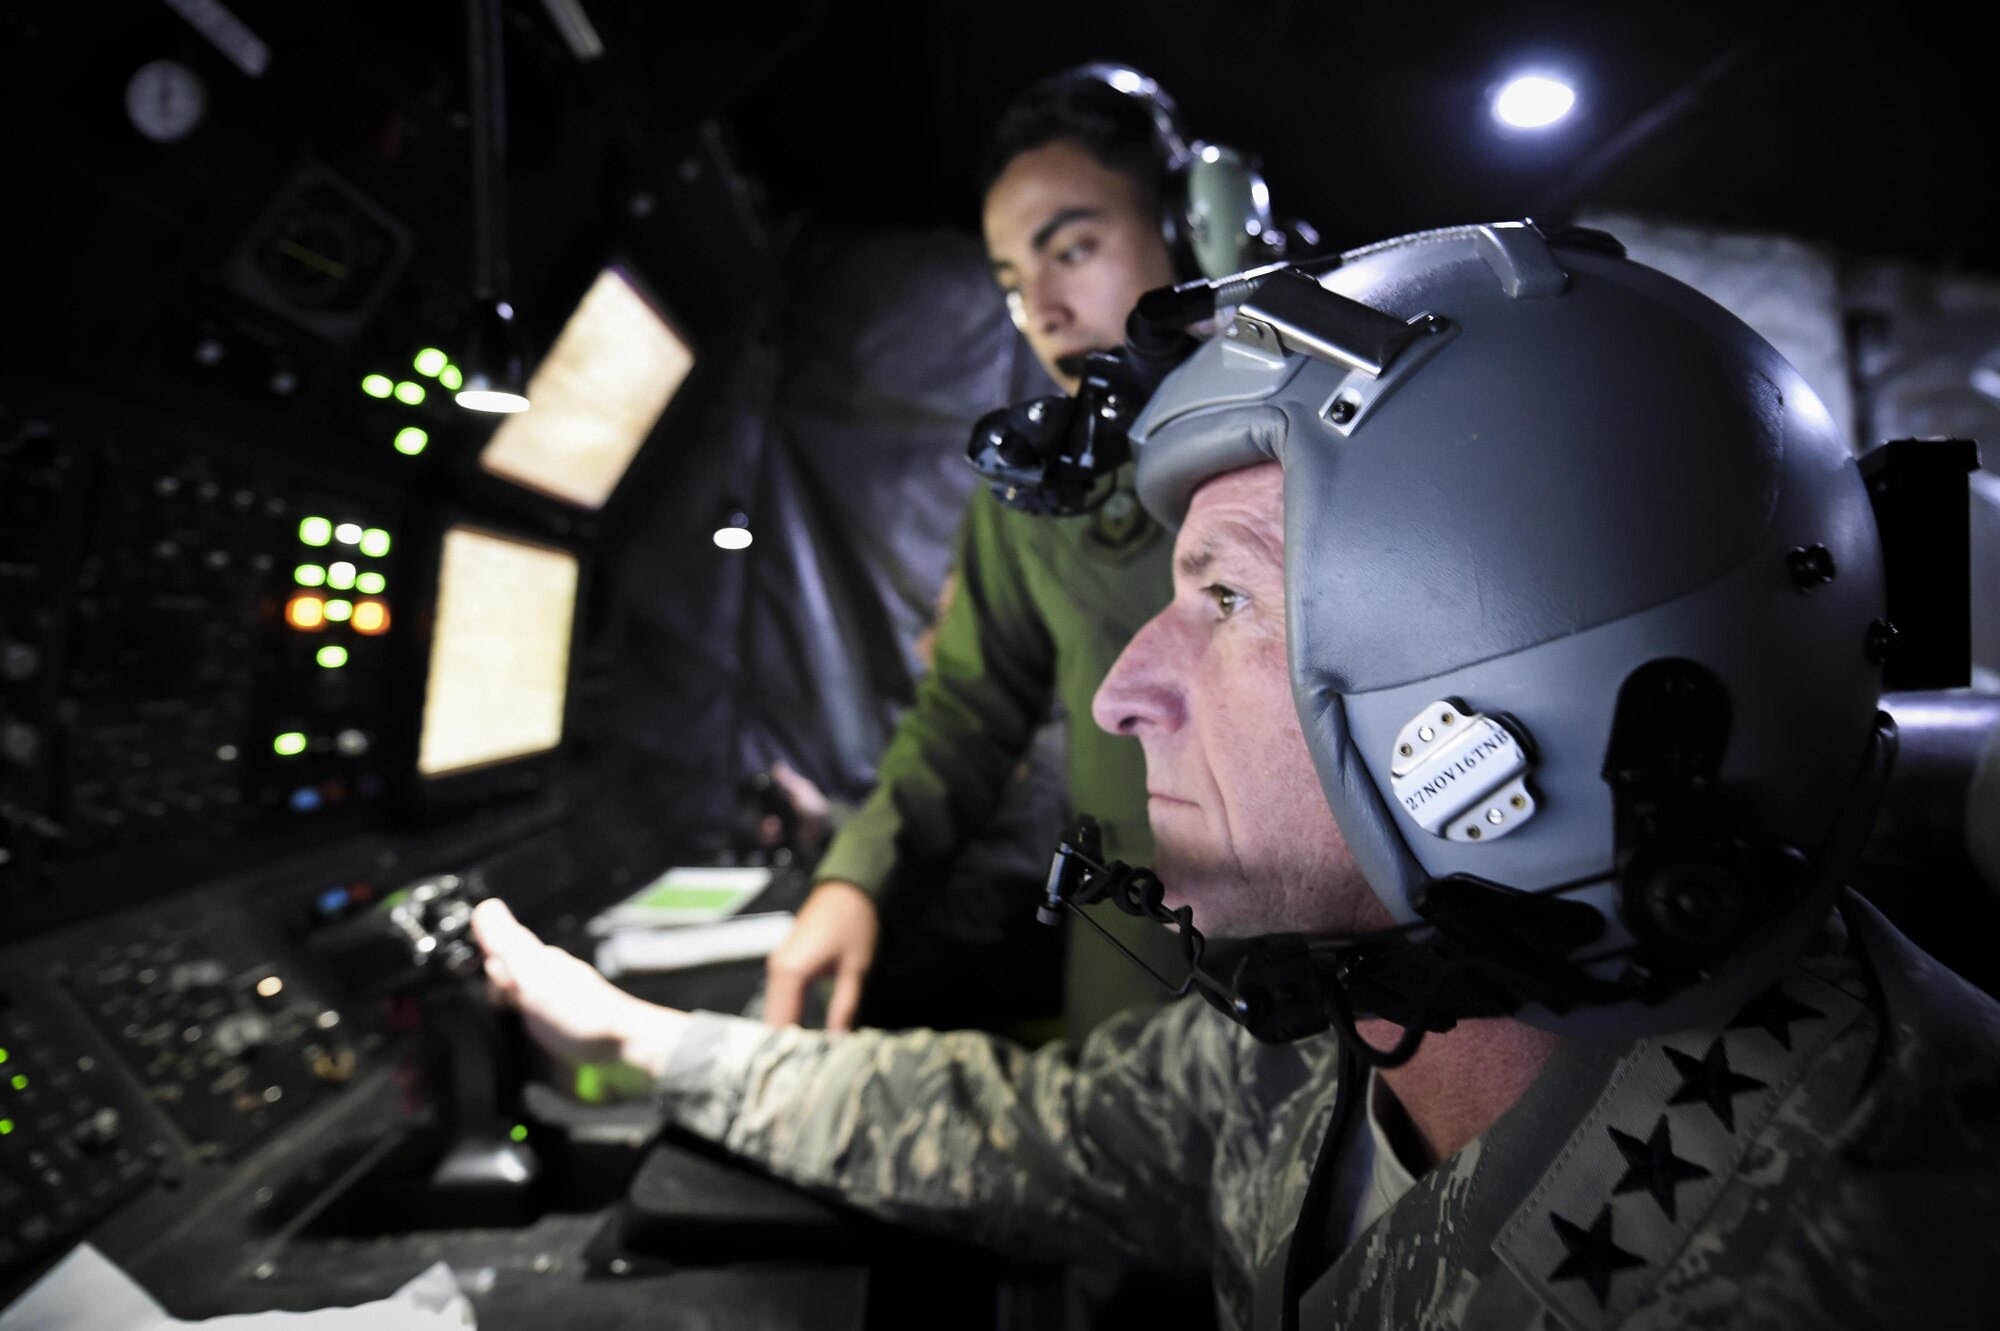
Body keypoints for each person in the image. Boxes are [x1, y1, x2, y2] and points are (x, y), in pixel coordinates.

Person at [475, 221, 2000, 1329]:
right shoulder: (1346, 1022)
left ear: (1502, 696)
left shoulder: (1837, 1266)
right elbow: (1026, 1127)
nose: (1127, 694)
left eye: (1223, 601)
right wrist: (640, 1039)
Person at [761, 62, 1290, 1037]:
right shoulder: (1034, 497)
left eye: (1072, 247)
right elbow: (966, 710)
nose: (1040, 307)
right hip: (1135, 980)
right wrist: (856, 879)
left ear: (1193, 224)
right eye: (1011, 280)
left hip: (1348, 987)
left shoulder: (1342, 433)